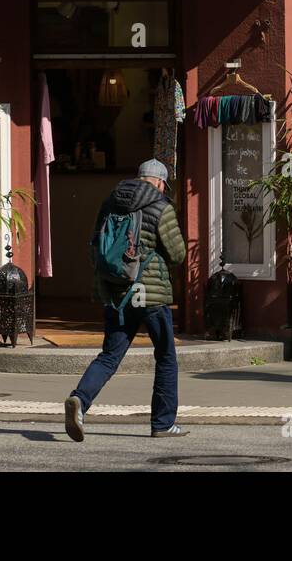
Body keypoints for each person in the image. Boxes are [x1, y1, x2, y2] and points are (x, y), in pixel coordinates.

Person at [64, 159, 188, 442]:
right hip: (151, 295)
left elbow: (95, 246)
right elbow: (178, 254)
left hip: (118, 293)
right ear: (158, 182)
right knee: (166, 357)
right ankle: (163, 424)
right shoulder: (161, 206)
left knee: (109, 356)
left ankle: (80, 400)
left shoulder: (110, 203)